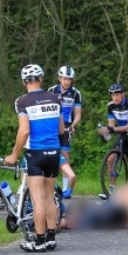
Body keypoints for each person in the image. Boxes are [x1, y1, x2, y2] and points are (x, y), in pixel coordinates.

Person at [6, 64, 65, 252]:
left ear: (25, 82)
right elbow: (62, 129)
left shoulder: (22, 102)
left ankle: (38, 241)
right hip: (54, 152)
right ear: (41, 79)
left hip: (36, 153)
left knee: (37, 197)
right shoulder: (56, 99)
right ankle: (50, 237)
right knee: (49, 196)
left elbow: (24, 130)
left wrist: (14, 154)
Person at [47, 65, 83, 199]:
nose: (67, 82)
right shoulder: (51, 90)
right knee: (50, 154)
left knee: (65, 155)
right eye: (64, 79)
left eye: (69, 79)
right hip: (52, 126)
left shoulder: (75, 93)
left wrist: (73, 125)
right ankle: (51, 186)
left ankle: (66, 188)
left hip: (67, 126)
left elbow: (78, 114)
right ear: (59, 78)